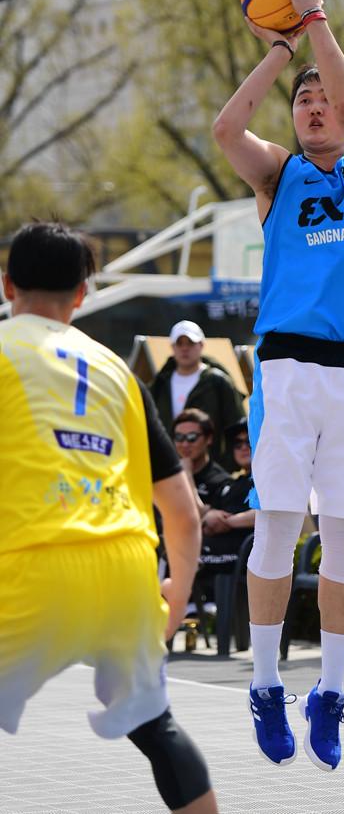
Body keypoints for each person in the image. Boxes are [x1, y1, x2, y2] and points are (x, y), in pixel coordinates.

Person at [213, 0, 344, 772]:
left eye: (325, 97)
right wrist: (281, 48)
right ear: (291, 118)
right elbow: (226, 131)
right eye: (303, 100)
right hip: (289, 369)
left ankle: (330, 691)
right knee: (280, 527)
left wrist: (316, 18)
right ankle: (264, 684)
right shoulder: (277, 176)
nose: (317, 106)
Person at [0, 222, 218, 814]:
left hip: (31, 565)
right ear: (82, 294)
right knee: (155, 726)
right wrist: (177, 595)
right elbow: (182, 510)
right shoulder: (119, 373)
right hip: (124, 569)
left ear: (7, 285)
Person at [150, 320, 245, 465]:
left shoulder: (218, 381)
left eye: (190, 343)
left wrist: (227, 466)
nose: (184, 348)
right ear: (172, 347)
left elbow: (237, 426)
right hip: (170, 466)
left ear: (201, 345)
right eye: (179, 343)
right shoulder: (161, 383)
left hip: (209, 467)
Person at [200, 418, 255, 572]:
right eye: (238, 443)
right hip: (215, 548)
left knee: (183, 555)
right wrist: (207, 520)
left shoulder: (268, 479)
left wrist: (228, 522)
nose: (243, 447)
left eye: (249, 441)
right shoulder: (229, 484)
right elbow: (205, 514)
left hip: (246, 553)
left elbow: (271, 512)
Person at [173, 408, 232, 508]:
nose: (185, 444)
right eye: (179, 437)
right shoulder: (168, 475)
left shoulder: (221, 481)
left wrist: (187, 475)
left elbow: (202, 515)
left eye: (192, 437)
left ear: (209, 438)